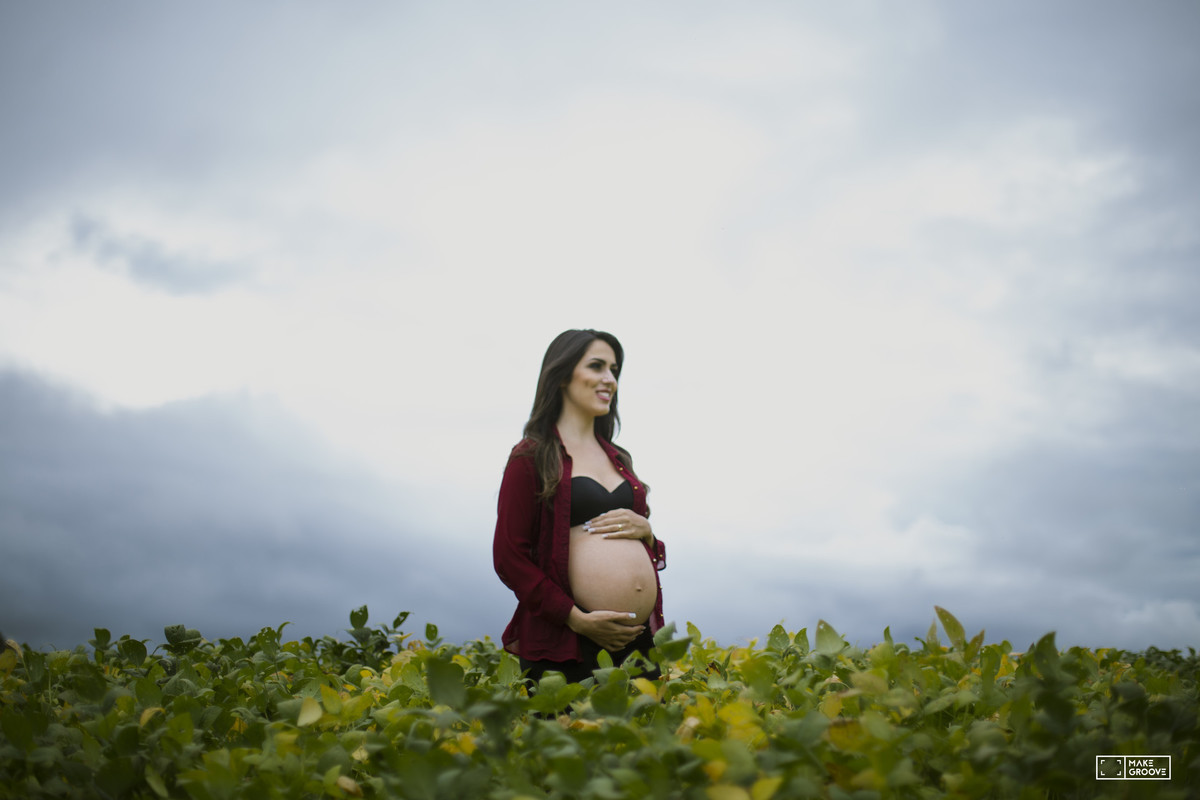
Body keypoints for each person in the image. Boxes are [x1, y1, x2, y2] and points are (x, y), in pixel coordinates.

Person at [493, 329, 666, 684]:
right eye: (597, 366)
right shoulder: (532, 456)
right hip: (567, 642)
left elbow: (638, 547)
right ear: (562, 375)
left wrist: (648, 534)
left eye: (614, 370)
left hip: (635, 643)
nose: (610, 379)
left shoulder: (619, 459)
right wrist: (574, 617)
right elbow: (509, 556)